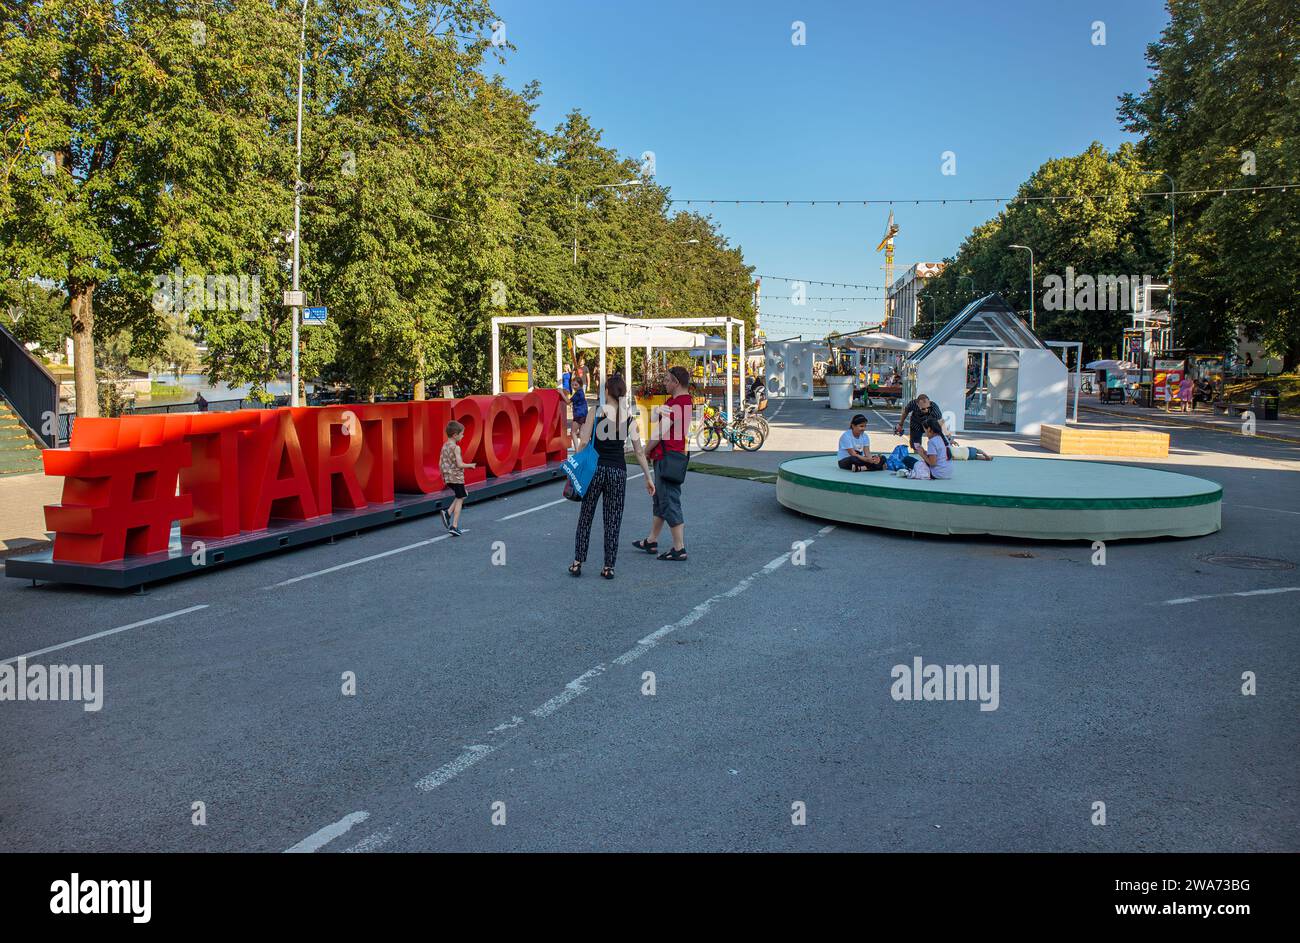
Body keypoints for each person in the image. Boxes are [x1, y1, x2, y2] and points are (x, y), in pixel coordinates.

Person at [570, 375, 654, 579]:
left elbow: (583, 442)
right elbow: (639, 452)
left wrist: (576, 465)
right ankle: (609, 566)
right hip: (618, 471)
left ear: (606, 391)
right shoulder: (629, 418)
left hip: (596, 469)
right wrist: (647, 477)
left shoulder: (595, 412)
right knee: (613, 519)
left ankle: (578, 562)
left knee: (586, 516)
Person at [635, 365, 692, 561]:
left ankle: (679, 547)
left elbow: (660, 432)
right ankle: (652, 540)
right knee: (660, 499)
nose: (664, 383)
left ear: (676, 382)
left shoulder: (679, 403)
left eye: (667, 380)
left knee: (669, 500)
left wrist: (645, 450)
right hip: (669, 455)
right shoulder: (679, 401)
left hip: (668, 458)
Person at [439, 420, 476, 536]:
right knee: (460, 498)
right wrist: (471, 465)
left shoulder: (444, 446)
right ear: (455, 435)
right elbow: (459, 464)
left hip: (448, 477)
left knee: (463, 494)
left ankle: (448, 513)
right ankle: (454, 526)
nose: (463, 436)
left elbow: (440, 463)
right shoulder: (456, 448)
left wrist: (444, 475)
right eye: (462, 434)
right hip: (457, 477)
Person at [897, 416, 954, 480]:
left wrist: (922, 454)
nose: (926, 434)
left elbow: (932, 463)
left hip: (937, 474)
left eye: (925, 431)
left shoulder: (932, 441)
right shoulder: (944, 439)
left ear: (929, 429)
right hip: (948, 473)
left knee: (907, 459)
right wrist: (925, 452)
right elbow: (939, 456)